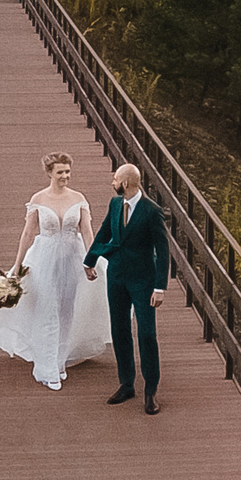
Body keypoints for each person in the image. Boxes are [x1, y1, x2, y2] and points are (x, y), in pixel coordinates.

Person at [0, 150, 112, 388]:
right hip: (44, 259)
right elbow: (28, 233)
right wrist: (17, 266)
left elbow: (87, 232)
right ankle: (46, 370)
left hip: (72, 259)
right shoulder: (38, 199)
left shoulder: (78, 198)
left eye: (68, 171)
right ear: (49, 173)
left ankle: (58, 361)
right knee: (47, 310)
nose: (65, 176)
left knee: (66, 311)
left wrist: (91, 260)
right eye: (60, 172)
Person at [84, 162, 169, 415]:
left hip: (143, 280)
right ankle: (126, 383)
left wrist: (160, 287)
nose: (112, 182)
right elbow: (104, 232)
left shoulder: (151, 211)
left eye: (115, 179)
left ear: (127, 183)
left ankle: (151, 390)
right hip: (117, 276)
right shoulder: (114, 204)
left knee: (146, 334)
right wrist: (89, 260)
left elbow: (163, 251)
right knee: (119, 330)